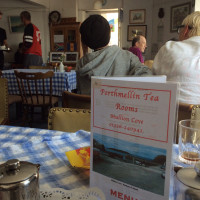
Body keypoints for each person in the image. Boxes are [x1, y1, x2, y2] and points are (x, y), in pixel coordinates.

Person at [76, 15, 152, 95]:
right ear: (108, 35)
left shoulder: (81, 64)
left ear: (84, 40)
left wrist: (84, 50)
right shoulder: (127, 57)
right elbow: (147, 75)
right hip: (117, 105)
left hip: (88, 107)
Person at [152, 11, 200, 104]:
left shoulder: (169, 47)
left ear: (185, 30)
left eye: (180, 30)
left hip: (170, 113)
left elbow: (153, 79)